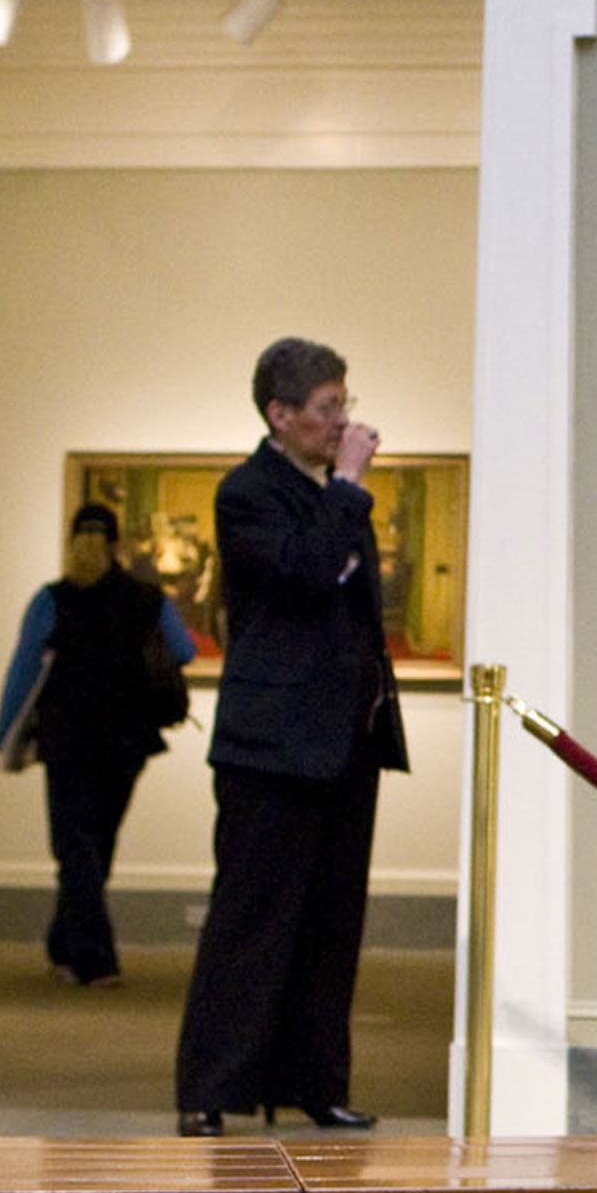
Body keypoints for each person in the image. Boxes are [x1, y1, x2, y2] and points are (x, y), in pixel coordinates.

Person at [174, 337, 407, 1137]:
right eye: (328, 408)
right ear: (281, 415)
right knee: (250, 919)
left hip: (343, 741)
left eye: (345, 402)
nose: (345, 421)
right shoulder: (248, 493)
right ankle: (209, 1088)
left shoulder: (328, 497)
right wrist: (349, 485)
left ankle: (315, 1081)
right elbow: (307, 573)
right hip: (269, 747)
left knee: (331, 922)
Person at [0, 502, 198, 987]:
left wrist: (6, 736)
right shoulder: (147, 599)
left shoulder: (52, 599)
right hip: (127, 741)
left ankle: (92, 957)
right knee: (96, 844)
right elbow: (185, 650)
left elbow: (24, 669)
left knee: (75, 845)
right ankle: (66, 945)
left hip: (66, 740)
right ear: (117, 543)